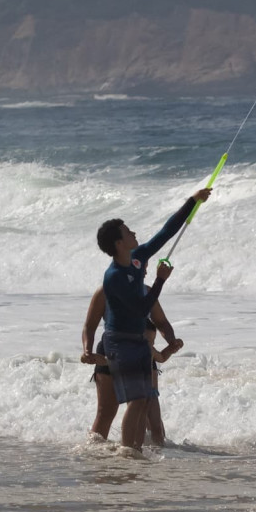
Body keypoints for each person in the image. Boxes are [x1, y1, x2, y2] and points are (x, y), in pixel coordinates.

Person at [91, 186, 212, 450]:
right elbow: (140, 308)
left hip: (137, 340)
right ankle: (128, 452)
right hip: (119, 341)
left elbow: (166, 234)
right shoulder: (113, 278)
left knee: (145, 399)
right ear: (118, 244)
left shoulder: (135, 259)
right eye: (128, 232)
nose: (134, 233)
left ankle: (135, 450)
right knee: (135, 400)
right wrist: (160, 279)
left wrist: (192, 202)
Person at [81, 292, 185, 444]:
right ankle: (101, 450)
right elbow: (90, 328)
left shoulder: (146, 291)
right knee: (108, 412)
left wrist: (172, 344)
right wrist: (88, 353)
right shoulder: (105, 291)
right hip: (115, 348)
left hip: (144, 373)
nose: (145, 270)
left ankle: (155, 451)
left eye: (152, 342)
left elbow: (161, 324)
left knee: (150, 417)